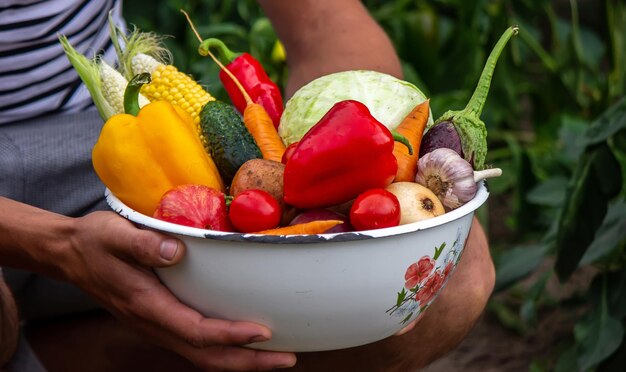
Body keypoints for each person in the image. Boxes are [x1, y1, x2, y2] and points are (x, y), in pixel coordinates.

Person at [0, 0, 495, 370]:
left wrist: (367, 128)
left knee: (450, 277)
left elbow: (323, 20)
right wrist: (58, 245)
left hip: (119, 130)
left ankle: (63, 354)